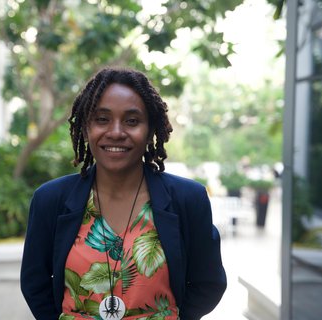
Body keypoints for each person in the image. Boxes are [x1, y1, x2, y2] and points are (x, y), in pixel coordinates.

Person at [20, 67, 226, 320]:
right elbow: (34, 283)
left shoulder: (188, 199)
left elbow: (209, 283)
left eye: (131, 121)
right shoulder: (50, 200)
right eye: (102, 119)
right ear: (86, 128)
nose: (116, 132)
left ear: (150, 130)